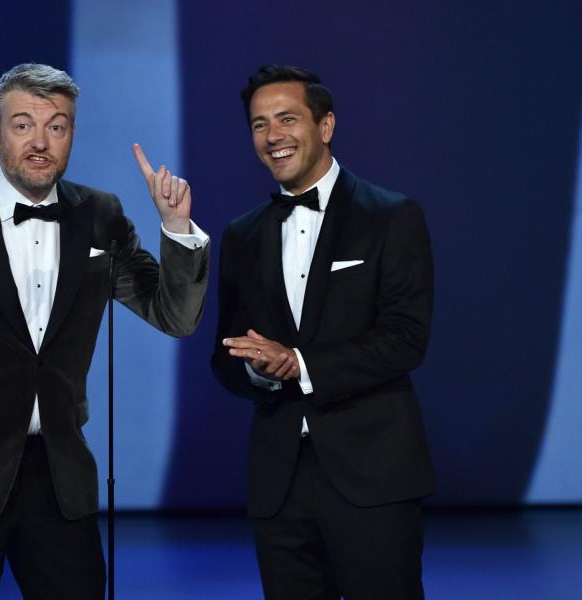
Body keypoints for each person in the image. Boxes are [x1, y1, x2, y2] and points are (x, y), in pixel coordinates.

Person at [0, 63, 209, 599]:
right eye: (23, 125)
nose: (41, 141)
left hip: (60, 475)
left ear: (71, 134)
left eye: (57, 125)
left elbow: (175, 315)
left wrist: (176, 228)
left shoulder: (99, 214)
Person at [211, 65, 434, 599]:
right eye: (259, 124)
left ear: (326, 125)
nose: (273, 136)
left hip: (373, 474)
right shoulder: (241, 235)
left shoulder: (391, 216)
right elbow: (225, 356)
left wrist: (301, 364)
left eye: (287, 119)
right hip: (279, 482)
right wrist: (258, 371)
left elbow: (406, 337)